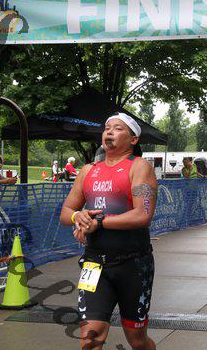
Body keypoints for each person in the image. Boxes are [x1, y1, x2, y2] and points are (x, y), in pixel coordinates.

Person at [60, 112, 157, 350]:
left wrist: (99, 222)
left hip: (133, 265)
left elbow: (143, 214)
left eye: (118, 128)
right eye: (106, 128)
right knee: (90, 338)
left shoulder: (140, 167)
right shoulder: (88, 170)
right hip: (94, 264)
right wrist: (78, 217)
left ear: (133, 139)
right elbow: (66, 213)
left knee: (137, 341)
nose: (109, 132)